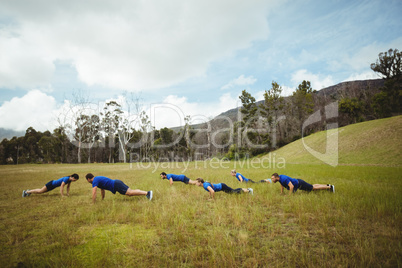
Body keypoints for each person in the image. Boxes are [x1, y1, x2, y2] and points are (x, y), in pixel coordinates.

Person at [85, 173, 152, 203]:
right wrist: (102, 200)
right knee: (131, 192)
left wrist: (93, 203)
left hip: (116, 185)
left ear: (88, 179)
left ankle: (147, 193)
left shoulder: (95, 181)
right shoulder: (97, 179)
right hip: (116, 183)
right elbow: (102, 190)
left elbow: (94, 192)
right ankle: (147, 193)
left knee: (130, 193)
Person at [270, 173, 335, 195]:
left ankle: (330, 188)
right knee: (312, 186)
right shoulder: (280, 179)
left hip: (300, 183)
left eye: (273, 178)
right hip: (299, 182)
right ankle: (327, 185)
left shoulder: (283, 178)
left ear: (276, 177)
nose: (272, 180)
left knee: (313, 188)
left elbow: (291, 186)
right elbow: (282, 185)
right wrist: (282, 192)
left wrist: (289, 196)